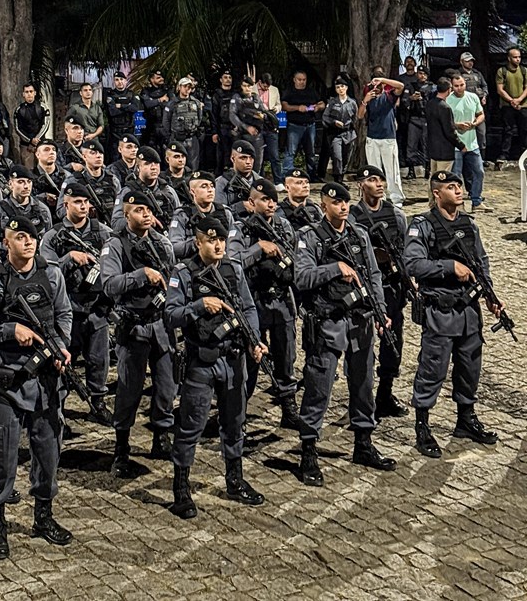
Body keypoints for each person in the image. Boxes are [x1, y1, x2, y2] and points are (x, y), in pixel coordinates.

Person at [0, 213, 74, 560]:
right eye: (20, 237)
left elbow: (63, 315)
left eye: (32, 237)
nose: (28, 242)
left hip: (46, 382)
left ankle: (43, 516)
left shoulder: (52, 274)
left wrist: (61, 346)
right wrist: (10, 331)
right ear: (5, 243)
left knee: (48, 452)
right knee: (2, 456)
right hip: (8, 382)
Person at [295, 181, 396, 486]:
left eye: (346, 203)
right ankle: (309, 451)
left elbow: (373, 275)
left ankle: (363, 443)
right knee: (319, 387)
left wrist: (381, 311)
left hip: (360, 320)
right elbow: (301, 277)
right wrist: (335, 268)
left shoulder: (358, 234)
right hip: (328, 321)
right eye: (336, 203)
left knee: (364, 383)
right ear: (324, 205)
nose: (342, 207)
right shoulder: (309, 236)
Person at [165, 215, 267, 519]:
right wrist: (199, 306)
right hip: (202, 360)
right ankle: (181, 489)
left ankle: (235, 480)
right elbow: (170, 315)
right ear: (198, 242)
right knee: (191, 424)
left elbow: (247, 307)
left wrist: (255, 341)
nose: (219, 244)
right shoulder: (183, 273)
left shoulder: (233, 268)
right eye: (211, 240)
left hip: (234, 358)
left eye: (221, 239)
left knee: (235, 422)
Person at [404, 170, 502, 457]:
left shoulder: (469, 225)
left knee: (470, 367)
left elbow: (481, 262)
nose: (458, 191)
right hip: (440, 311)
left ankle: (466, 419)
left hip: (469, 311)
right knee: (433, 368)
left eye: (459, 186)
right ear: (437, 193)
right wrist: (449, 267)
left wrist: (491, 295)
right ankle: (422, 426)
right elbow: (412, 264)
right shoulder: (422, 225)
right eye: (451, 187)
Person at [100, 190, 177, 476]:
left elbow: (172, 278)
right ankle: (121, 447)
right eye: (139, 210)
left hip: (161, 324)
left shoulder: (162, 243)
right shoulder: (116, 245)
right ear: (126, 214)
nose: (145, 214)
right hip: (133, 325)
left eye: (148, 210)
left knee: (166, 386)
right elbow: (108, 285)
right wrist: (140, 275)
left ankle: (161, 436)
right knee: (129, 388)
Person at [227, 178, 300, 429]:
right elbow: (233, 262)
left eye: (273, 200)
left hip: (281, 299)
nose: (270, 204)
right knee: (249, 361)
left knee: (286, 357)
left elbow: (295, 258)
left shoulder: (284, 226)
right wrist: (258, 249)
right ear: (251, 202)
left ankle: (289, 408)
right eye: (264, 200)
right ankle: (238, 417)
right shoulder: (242, 229)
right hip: (254, 300)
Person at [39, 181, 114, 425]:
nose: (82, 206)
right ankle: (57, 410)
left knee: (98, 360)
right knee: (62, 362)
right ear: (65, 204)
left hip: (95, 306)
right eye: (77, 202)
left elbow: (114, 265)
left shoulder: (102, 232)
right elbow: (46, 275)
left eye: (85, 202)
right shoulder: (53, 236)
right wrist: (69, 259)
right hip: (67, 309)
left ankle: (98, 402)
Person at [349, 165, 410, 418]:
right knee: (362, 346)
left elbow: (405, 249)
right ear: (362, 185)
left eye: (381, 180)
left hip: (392, 285)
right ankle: (360, 399)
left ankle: (385, 393)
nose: (379, 184)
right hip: (365, 287)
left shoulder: (395, 215)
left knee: (393, 341)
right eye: (372, 180)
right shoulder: (352, 215)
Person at [356, 68, 405, 208]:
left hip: (388, 137)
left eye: (379, 85)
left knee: (392, 170)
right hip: (372, 138)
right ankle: (378, 197)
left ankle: (396, 198)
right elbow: (360, 116)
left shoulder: (390, 96)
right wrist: (365, 101)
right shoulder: (369, 97)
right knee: (374, 169)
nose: (376, 88)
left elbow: (401, 86)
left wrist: (383, 80)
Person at [0, 165, 53, 255]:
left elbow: (49, 242)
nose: (26, 186)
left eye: (29, 182)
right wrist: (14, 246)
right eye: (21, 182)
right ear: (10, 184)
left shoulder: (43, 210)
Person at [110, 146, 180, 233]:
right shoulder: (127, 192)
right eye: (147, 163)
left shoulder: (168, 191)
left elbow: (179, 220)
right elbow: (115, 224)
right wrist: (139, 220)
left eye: (156, 163)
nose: (153, 167)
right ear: (138, 167)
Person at [168, 169, 234, 260]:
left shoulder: (225, 213)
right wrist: (198, 241)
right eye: (204, 186)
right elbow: (174, 248)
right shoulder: (183, 215)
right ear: (192, 191)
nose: (210, 190)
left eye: (212, 186)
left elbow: (233, 245)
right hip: (194, 264)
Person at [446, 74, 485, 211]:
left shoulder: (473, 97)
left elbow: (481, 114)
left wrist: (475, 123)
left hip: (472, 143)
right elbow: (445, 122)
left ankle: (476, 201)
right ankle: (458, 204)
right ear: (452, 86)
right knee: (456, 176)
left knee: (479, 172)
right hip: (456, 144)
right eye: (456, 86)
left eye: (461, 85)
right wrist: (457, 125)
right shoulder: (448, 100)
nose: (459, 88)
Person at [425, 77, 467, 196]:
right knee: (442, 179)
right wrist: (461, 145)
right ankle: (440, 204)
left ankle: (432, 202)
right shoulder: (445, 107)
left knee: (433, 178)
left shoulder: (430, 104)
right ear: (448, 90)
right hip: (444, 150)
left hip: (433, 147)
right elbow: (449, 131)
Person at [61, 139, 120, 224]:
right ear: (84, 156)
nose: (98, 156)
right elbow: (60, 210)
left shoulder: (113, 180)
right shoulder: (73, 180)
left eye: (100, 153)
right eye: (93, 153)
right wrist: (81, 209)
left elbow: (121, 210)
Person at [281, 71, 325, 181]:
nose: (302, 82)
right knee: (291, 151)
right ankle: (287, 174)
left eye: (304, 80)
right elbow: (284, 106)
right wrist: (297, 108)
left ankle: (312, 174)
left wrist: (318, 107)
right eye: (300, 80)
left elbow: (322, 103)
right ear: (294, 80)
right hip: (295, 125)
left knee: (310, 152)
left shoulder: (311, 91)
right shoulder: (289, 92)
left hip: (310, 125)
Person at [162, 76, 205, 170]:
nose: (187, 89)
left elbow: (200, 118)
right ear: (179, 87)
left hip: (192, 139)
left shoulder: (196, 103)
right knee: (177, 166)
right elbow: (166, 121)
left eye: (189, 87)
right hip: (177, 139)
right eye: (185, 86)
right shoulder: (172, 104)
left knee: (193, 166)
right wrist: (170, 136)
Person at [320, 75, 357, 184]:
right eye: (338, 87)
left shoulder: (352, 102)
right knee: (337, 157)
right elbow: (325, 117)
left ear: (346, 87)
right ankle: (338, 179)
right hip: (335, 134)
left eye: (342, 86)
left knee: (345, 158)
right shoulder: (332, 103)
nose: (340, 89)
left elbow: (356, 118)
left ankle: (341, 175)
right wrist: (334, 122)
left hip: (348, 133)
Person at [214, 140, 262, 217]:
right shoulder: (222, 183)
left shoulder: (261, 182)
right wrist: (240, 207)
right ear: (233, 159)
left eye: (251, 158)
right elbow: (218, 213)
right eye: (243, 158)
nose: (248, 162)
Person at [495, 46, 527, 161]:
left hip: (523, 105)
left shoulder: (524, 71)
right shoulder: (502, 71)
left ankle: (524, 154)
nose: (518, 59)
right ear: (509, 58)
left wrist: (519, 100)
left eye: (519, 57)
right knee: (507, 130)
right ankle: (505, 154)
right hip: (507, 106)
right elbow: (500, 89)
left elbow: (526, 88)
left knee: (524, 130)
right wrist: (512, 100)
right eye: (515, 57)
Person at [229, 76, 267, 168]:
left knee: (257, 163)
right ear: (241, 86)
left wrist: (262, 116)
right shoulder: (237, 98)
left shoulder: (255, 97)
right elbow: (232, 115)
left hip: (257, 135)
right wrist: (246, 127)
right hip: (242, 135)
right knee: (241, 163)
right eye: (245, 86)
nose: (247, 88)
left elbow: (264, 113)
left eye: (249, 86)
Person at [404, 66, 434, 179]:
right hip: (414, 118)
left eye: (424, 74)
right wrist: (411, 98)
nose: (422, 76)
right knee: (411, 145)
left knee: (426, 144)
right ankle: (411, 170)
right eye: (420, 73)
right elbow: (404, 101)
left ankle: (427, 169)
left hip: (426, 118)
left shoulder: (432, 87)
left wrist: (424, 99)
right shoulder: (411, 86)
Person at [458, 51, 488, 160]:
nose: (470, 63)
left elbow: (485, 86)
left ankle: (482, 158)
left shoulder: (477, 74)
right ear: (462, 62)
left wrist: (484, 95)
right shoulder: (458, 75)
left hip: (478, 109)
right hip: (464, 109)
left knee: (481, 133)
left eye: (471, 61)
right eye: (467, 61)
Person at [103, 72, 139, 161]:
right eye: (117, 80)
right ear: (114, 82)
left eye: (122, 79)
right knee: (115, 156)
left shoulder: (131, 94)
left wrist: (121, 106)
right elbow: (113, 112)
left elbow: (135, 108)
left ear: (126, 81)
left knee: (130, 156)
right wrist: (128, 106)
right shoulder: (110, 94)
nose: (120, 82)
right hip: (115, 132)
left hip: (129, 130)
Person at [13, 82, 50, 169]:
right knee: (28, 170)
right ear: (23, 94)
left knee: (43, 169)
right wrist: (30, 141)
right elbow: (18, 128)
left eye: (31, 91)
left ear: (35, 93)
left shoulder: (43, 107)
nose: (29, 94)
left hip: (40, 143)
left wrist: (36, 140)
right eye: (26, 92)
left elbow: (46, 124)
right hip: (26, 146)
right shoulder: (19, 110)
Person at [256, 74, 283, 185]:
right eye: (264, 86)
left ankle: (278, 181)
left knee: (274, 155)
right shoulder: (252, 89)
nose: (266, 88)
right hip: (258, 123)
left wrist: (276, 108)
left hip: (271, 123)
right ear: (259, 82)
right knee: (259, 155)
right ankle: (259, 179)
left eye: (268, 86)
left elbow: (279, 104)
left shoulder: (274, 90)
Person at [210, 70, 238, 175]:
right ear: (221, 80)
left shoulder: (235, 94)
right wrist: (214, 132)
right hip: (222, 129)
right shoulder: (217, 95)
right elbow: (214, 115)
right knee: (221, 156)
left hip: (235, 129)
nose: (228, 80)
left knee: (234, 155)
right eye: (225, 77)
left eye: (230, 77)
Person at [139, 69, 172, 152]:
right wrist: (160, 100)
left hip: (165, 126)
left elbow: (173, 103)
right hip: (151, 127)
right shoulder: (146, 91)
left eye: (162, 77)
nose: (161, 79)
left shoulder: (167, 90)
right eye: (158, 77)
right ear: (152, 79)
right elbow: (148, 104)